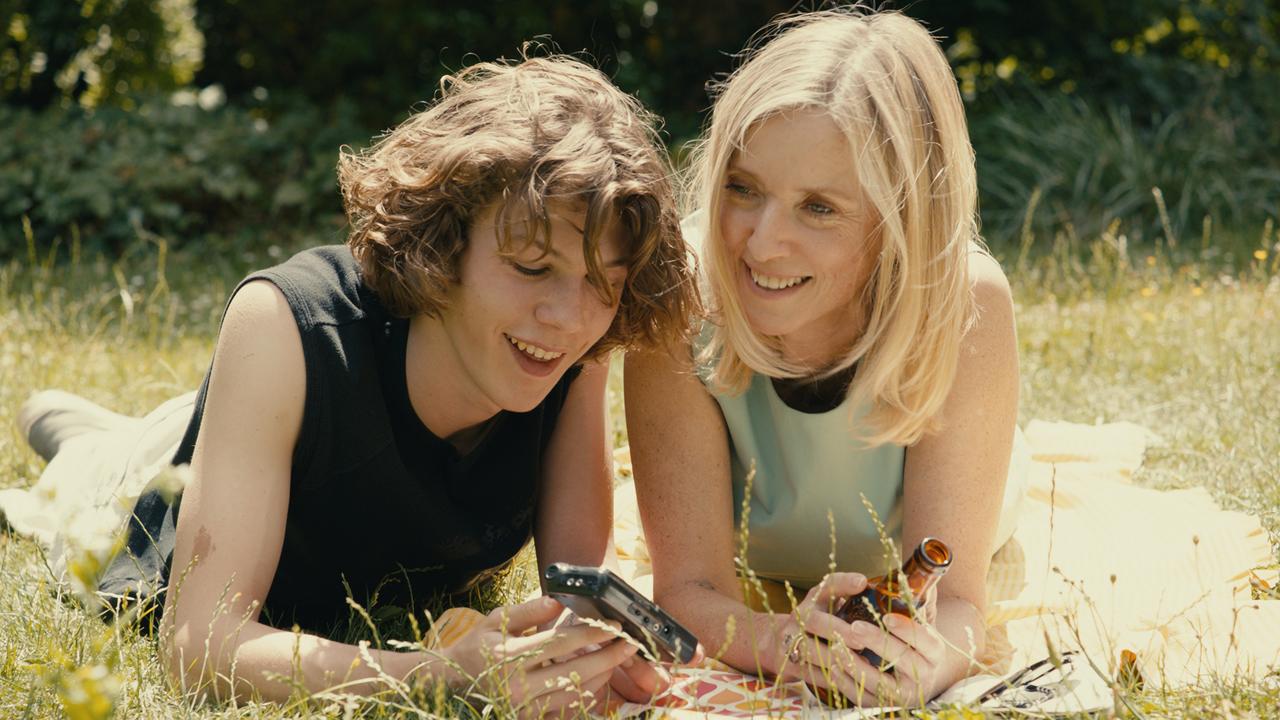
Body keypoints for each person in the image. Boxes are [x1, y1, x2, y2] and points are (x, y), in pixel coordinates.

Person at [15, 54, 697, 715]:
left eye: (601, 282)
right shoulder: (284, 323)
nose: (569, 317)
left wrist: (595, 651)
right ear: (445, 240)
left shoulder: (569, 347)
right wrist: (439, 678)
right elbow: (199, 649)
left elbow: (579, 585)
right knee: (92, 474)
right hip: (164, 472)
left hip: (257, 440)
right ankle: (81, 439)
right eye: (531, 266)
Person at [624, 9, 1028, 708]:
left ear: (902, 220)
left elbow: (960, 604)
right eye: (743, 189)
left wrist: (916, 671)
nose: (761, 242)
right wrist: (794, 647)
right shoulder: (681, 289)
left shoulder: (966, 302)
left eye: (818, 208)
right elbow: (688, 591)